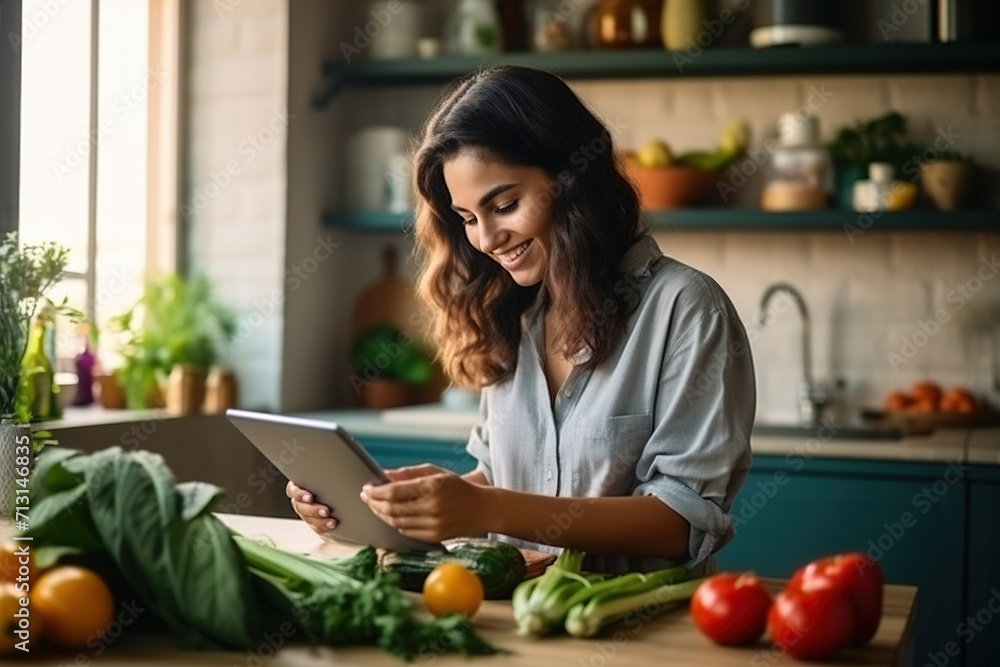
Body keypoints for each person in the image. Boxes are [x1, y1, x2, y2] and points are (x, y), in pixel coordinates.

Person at [288, 66, 755, 574]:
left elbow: (682, 522)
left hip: (636, 630)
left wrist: (483, 508)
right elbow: (503, 479)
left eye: (505, 205)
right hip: (518, 620)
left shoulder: (684, 308)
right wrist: (396, 505)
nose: (486, 240)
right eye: (467, 218)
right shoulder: (510, 311)